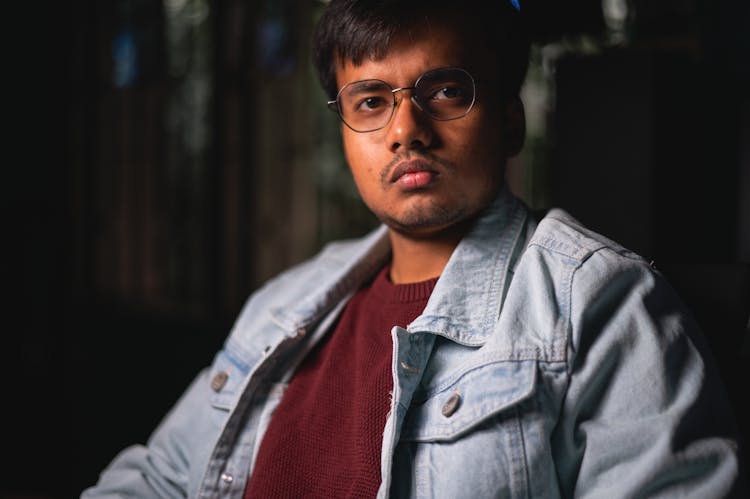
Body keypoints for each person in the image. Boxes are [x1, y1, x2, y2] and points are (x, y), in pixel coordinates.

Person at [83, 0, 745, 497]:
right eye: (371, 101)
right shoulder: (284, 304)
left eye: (446, 90)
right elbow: (155, 478)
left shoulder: (599, 301)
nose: (406, 130)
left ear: (510, 120)